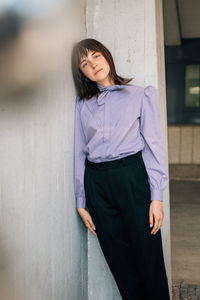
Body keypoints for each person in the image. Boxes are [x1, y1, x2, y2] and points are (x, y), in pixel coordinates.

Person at [71, 38, 170, 300]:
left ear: (106, 56)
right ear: (81, 72)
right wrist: (81, 200)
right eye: (84, 63)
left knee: (148, 256)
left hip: (132, 177)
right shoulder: (83, 105)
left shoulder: (140, 95)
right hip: (97, 184)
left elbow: (154, 146)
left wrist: (156, 197)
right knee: (119, 261)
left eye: (95, 56)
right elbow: (79, 152)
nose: (92, 64)